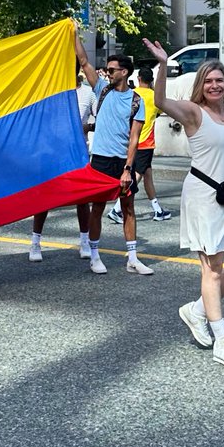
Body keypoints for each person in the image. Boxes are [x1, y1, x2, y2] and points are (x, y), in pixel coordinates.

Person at [143, 38, 224, 369]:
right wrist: (163, 64)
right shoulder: (195, 113)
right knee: (212, 269)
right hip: (204, 197)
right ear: (201, 85)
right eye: (208, 81)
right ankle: (222, 341)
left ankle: (196, 310)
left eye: (219, 80)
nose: (214, 85)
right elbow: (160, 101)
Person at [84, 48, 152, 276]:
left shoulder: (136, 100)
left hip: (122, 162)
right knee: (98, 207)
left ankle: (132, 259)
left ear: (124, 72)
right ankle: (94, 256)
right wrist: (72, 33)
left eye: (112, 70)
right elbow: (84, 61)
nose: (108, 73)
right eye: (107, 69)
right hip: (100, 160)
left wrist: (127, 169)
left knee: (128, 208)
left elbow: (134, 139)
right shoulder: (102, 89)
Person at [28, 53, 96, 262]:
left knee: (82, 198)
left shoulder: (88, 94)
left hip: (78, 155)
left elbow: (100, 119)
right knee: (44, 197)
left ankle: (84, 241)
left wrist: (86, 127)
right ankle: (35, 242)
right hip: (51, 153)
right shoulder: (50, 93)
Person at [133, 68, 171, 221]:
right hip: (146, 142)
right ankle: (117, 208)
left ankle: (157, 209)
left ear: (138, 78)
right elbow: (160, 111)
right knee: (137, 175)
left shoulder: (131, 94)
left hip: (132, 140)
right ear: (151, 80)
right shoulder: (155, 97)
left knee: (147, 174)